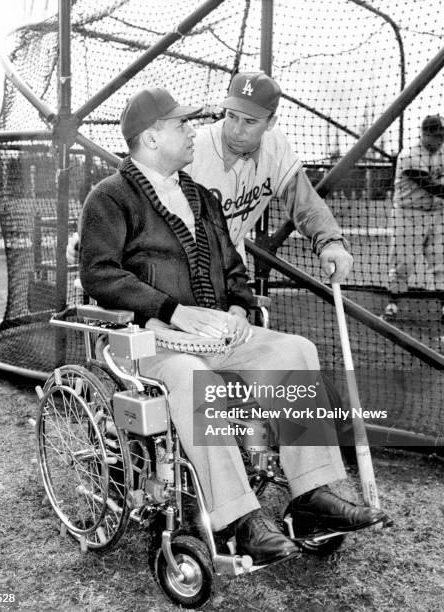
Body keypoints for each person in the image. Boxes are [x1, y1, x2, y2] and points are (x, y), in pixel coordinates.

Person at [79, 87, 388, 566]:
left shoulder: (200, 197)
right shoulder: (110, 197)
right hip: (147, 342)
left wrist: (241, 309)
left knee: (296, 351)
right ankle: (239, 519)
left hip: (219, 337)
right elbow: (99, 273)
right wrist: (172, 310)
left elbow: (232, 271)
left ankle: (311, 497)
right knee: (191, 378)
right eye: (182, 125)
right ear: (151, 138)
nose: (193, 132)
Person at [69, 71, 353, 285]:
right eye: (232, 116)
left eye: (250, 121)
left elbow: (304, 203)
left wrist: (330, 242)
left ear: (271, 123)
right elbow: (132, 183)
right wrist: (88, 236)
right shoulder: (194, 148)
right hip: (171, 267)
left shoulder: (275, 147)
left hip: (226, 266)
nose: (236, 129)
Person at [382, 115, 444, 321]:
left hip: (436, 215)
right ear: (425, 134)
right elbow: (431, 186)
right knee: (403, 263)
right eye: (437, 136)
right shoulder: (410, 155)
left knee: (441, 262)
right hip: (408, 215)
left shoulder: (442, 152)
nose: (440, 140)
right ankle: (393, 302)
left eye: (442, 136)